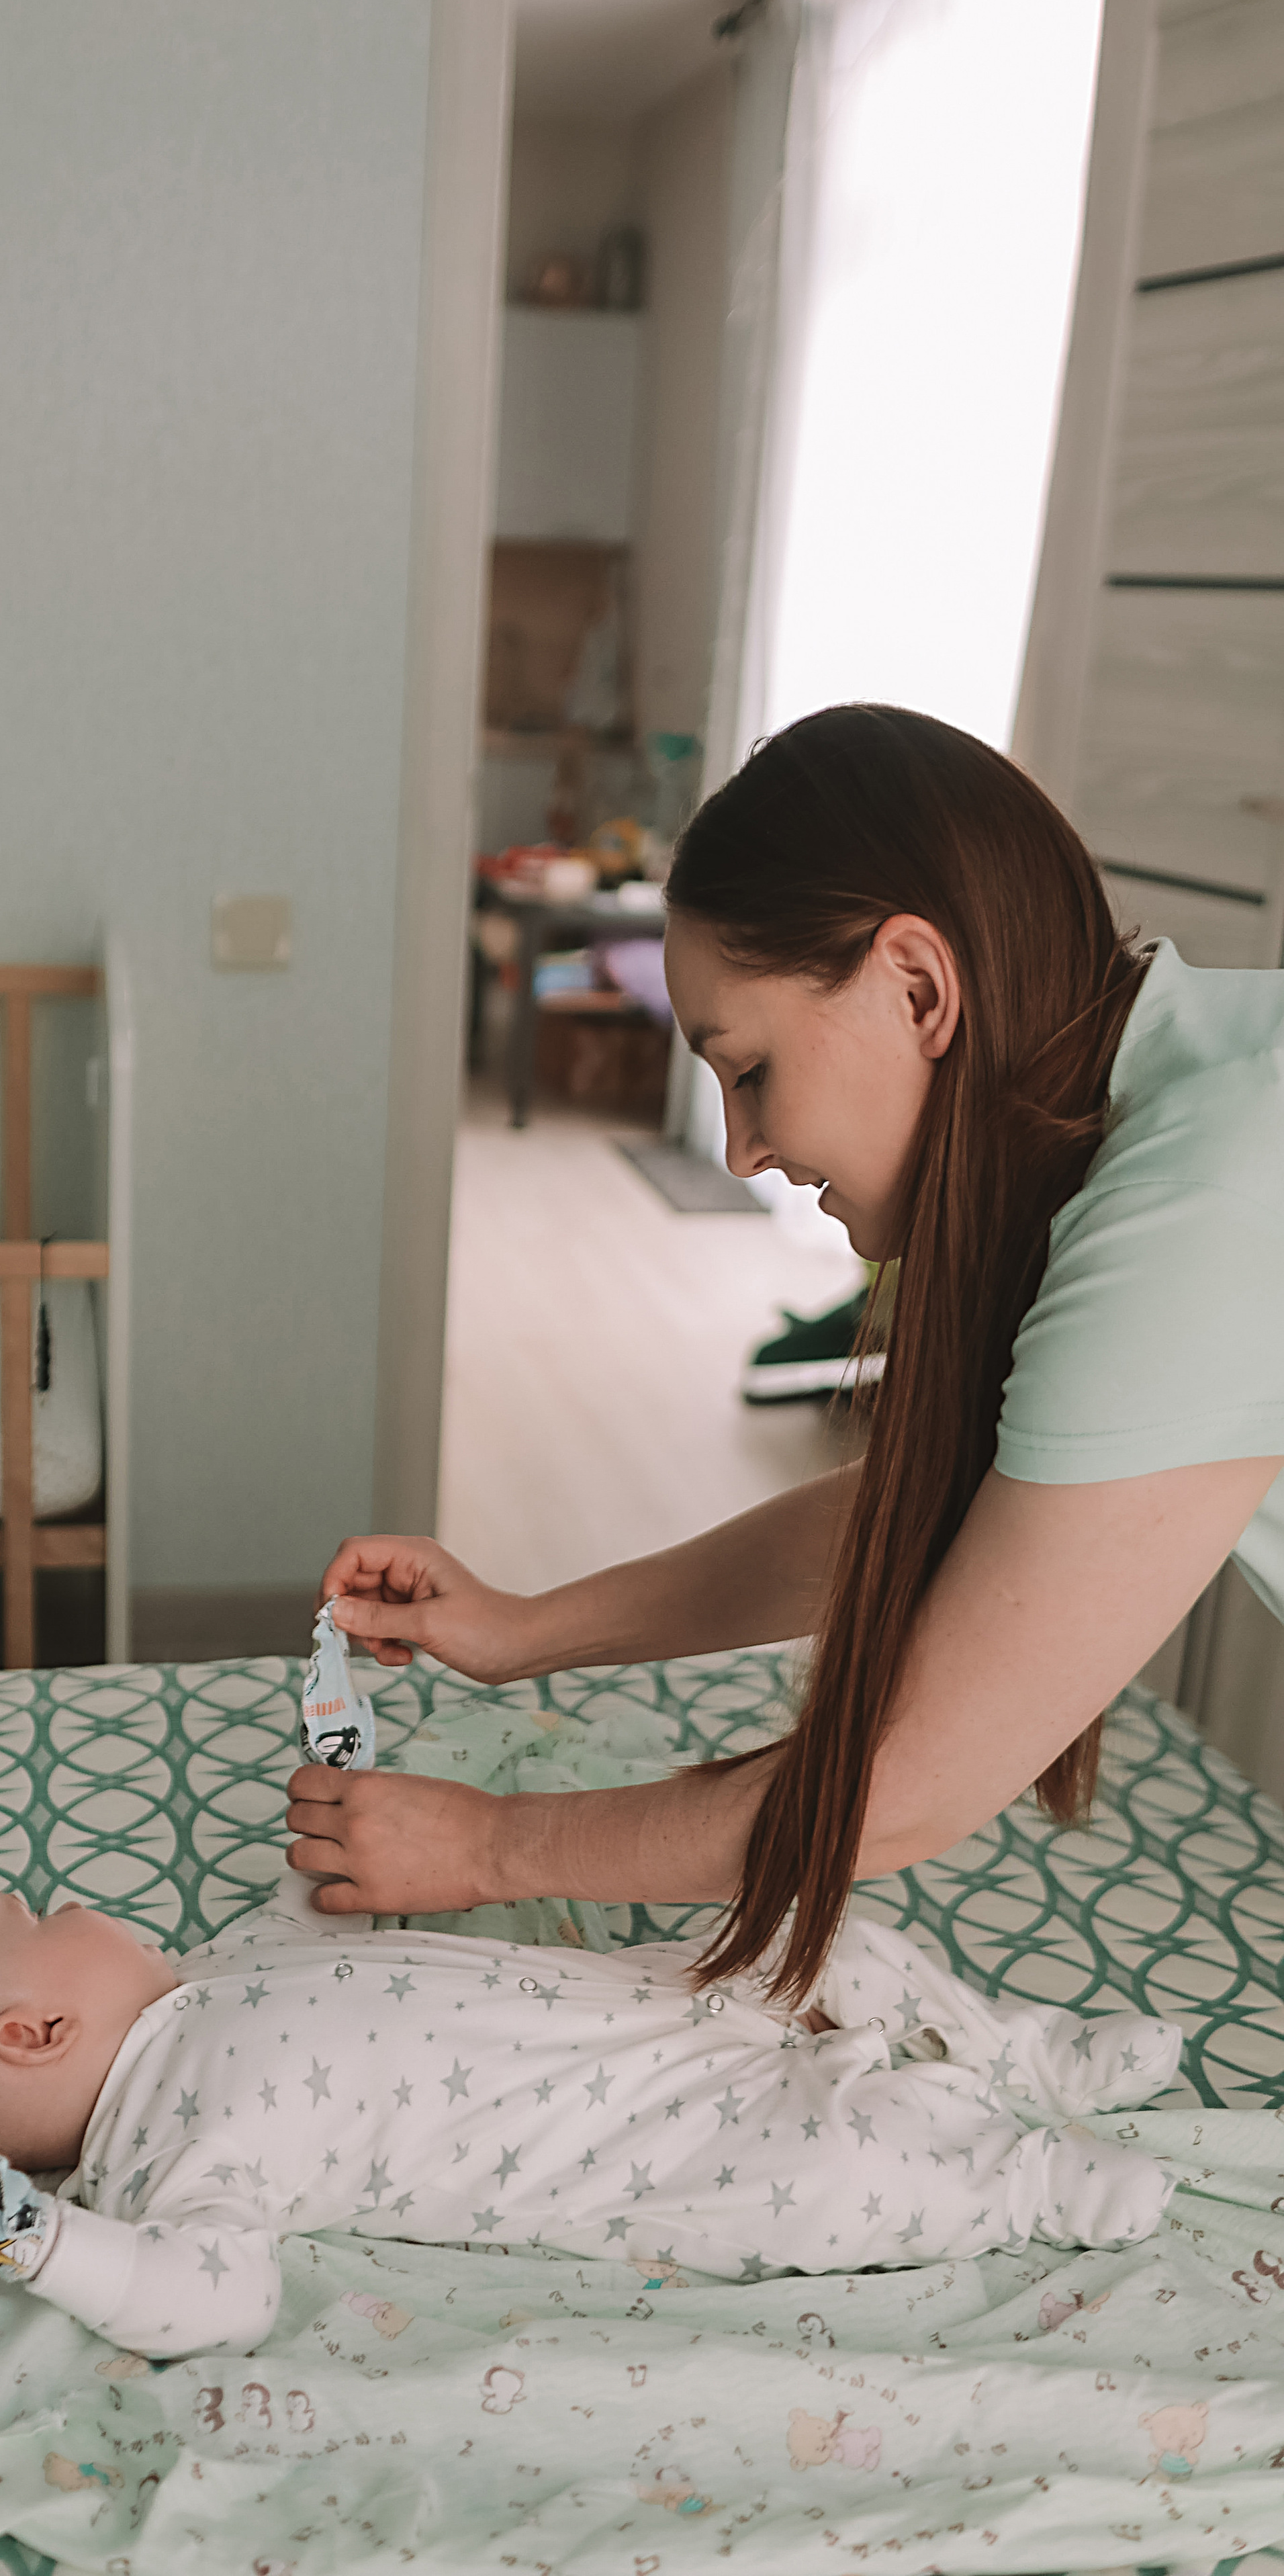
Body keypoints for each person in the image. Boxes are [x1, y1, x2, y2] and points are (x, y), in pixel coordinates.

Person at [287, 706, 1284, 2000]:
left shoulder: (1198, 1211)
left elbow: (901, 1786)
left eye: (749, 1070)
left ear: (917, 987)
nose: (742, 1147)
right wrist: (527, 1630)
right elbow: (938, 1507)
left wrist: (489, 1847)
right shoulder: (1164, 1119)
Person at [0, 1873, 1180, 2358]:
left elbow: (307, 1926)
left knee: (819, 1934)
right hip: (652, 2143)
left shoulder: (206, 1976)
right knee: (836, 2174)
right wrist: (55, 2248)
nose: (79, 1903)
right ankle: (1028, 2180)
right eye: (43, 1913)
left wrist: (326, 1843)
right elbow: (215, 2299)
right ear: (34, 2033)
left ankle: (1026, 2052)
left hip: (660, 1997)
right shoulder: (171, 2156)